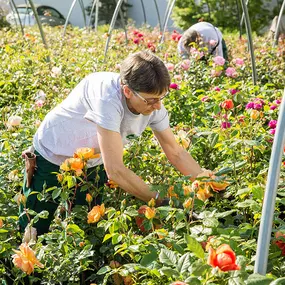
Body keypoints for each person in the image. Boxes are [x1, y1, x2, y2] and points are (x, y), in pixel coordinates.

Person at [19, 50, 203, 235]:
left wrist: (209, 183)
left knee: (86, 229)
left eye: (161, 97)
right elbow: (115, 170)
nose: (158, 106)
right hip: (52, 154)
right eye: (151, 100)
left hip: (91, 161)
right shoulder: (107, 98)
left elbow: (175, 151)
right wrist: (160, 201)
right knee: (34, 226)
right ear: (127, 91)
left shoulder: (153, 105)